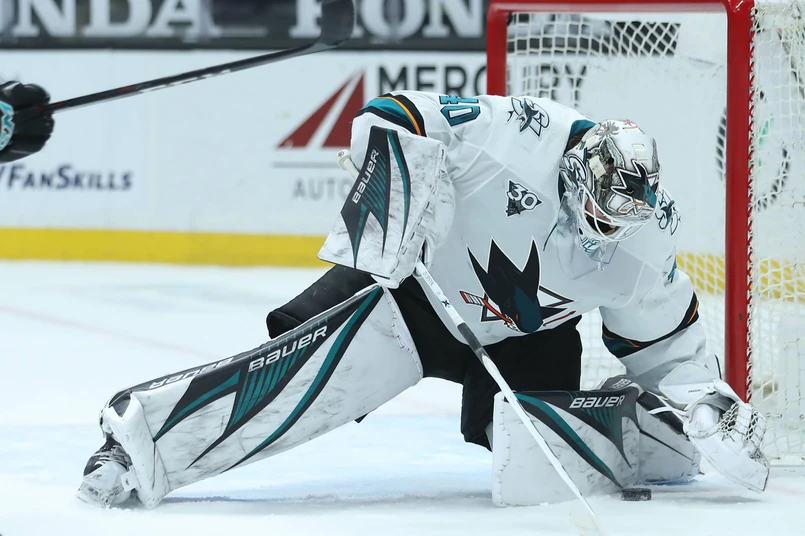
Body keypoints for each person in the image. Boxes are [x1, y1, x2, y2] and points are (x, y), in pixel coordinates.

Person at [0, 83, 769, 508]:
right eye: (594, 216)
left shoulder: (643, 240)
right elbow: (394, 113)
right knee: (287, 381)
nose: (603, 236)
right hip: (410, 290)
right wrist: (397, 186)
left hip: (525, 337)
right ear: (572, 176)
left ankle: (654, 440)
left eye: (616, 225)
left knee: (553, 457)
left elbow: (666, 347)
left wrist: (706, 403)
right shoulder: (521, 132)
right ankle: (136, 448)